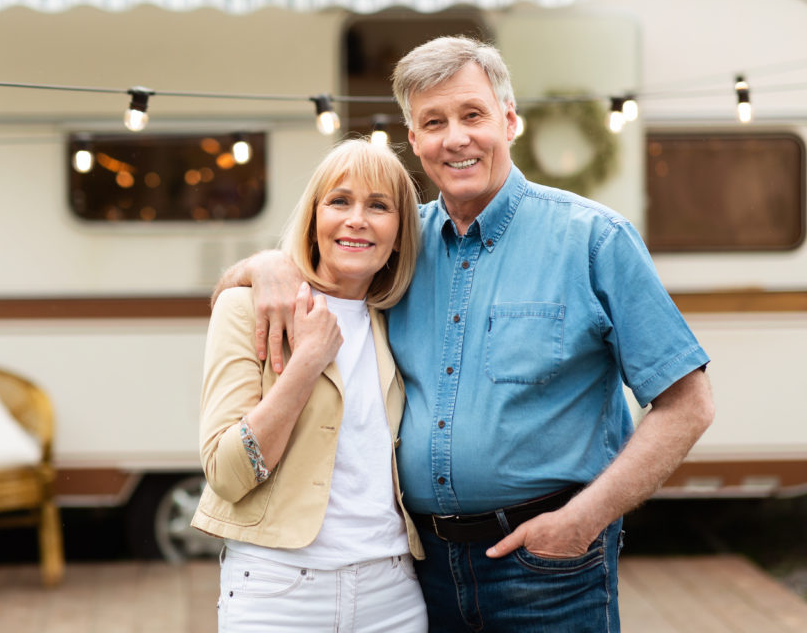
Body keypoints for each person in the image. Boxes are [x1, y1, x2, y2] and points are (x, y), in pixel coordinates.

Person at [212, 36, 715, 633]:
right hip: (421, 577)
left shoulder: (593, 240)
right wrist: (261, 267)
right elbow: (325, 270)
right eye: (433, 122)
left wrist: (582, 521)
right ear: (414, 139)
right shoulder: (399, 250)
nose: (456, 137)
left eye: (472, 114)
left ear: (508, 119)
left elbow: (689, 405)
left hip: (550, 570)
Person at [192, 138, 426, 632]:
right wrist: (306, 363)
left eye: (378, 206)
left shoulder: (400, 319)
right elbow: (227, 474)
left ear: (401, 234)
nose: (357, 218)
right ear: (314, 219)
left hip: (393, 592)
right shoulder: (248, 306)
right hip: (278, 591)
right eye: (339, 201)